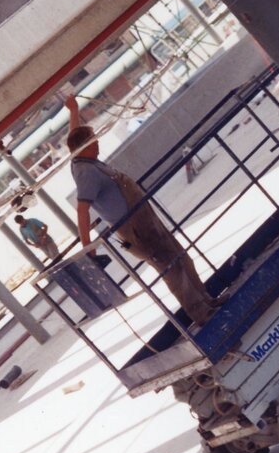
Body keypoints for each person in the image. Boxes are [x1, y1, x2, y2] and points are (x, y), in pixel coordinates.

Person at [64, 95, 221, 325]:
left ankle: (207, 300)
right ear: (84, 146)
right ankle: (200, 313)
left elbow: (74, 137)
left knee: (180, 257)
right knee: (172, 269)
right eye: (93, 141)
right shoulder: (86, 173)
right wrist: (89, 248)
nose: (97, 143)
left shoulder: (83, 161)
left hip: (145, 221)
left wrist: (73, 111)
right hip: (136, 230)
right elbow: (82, 211)